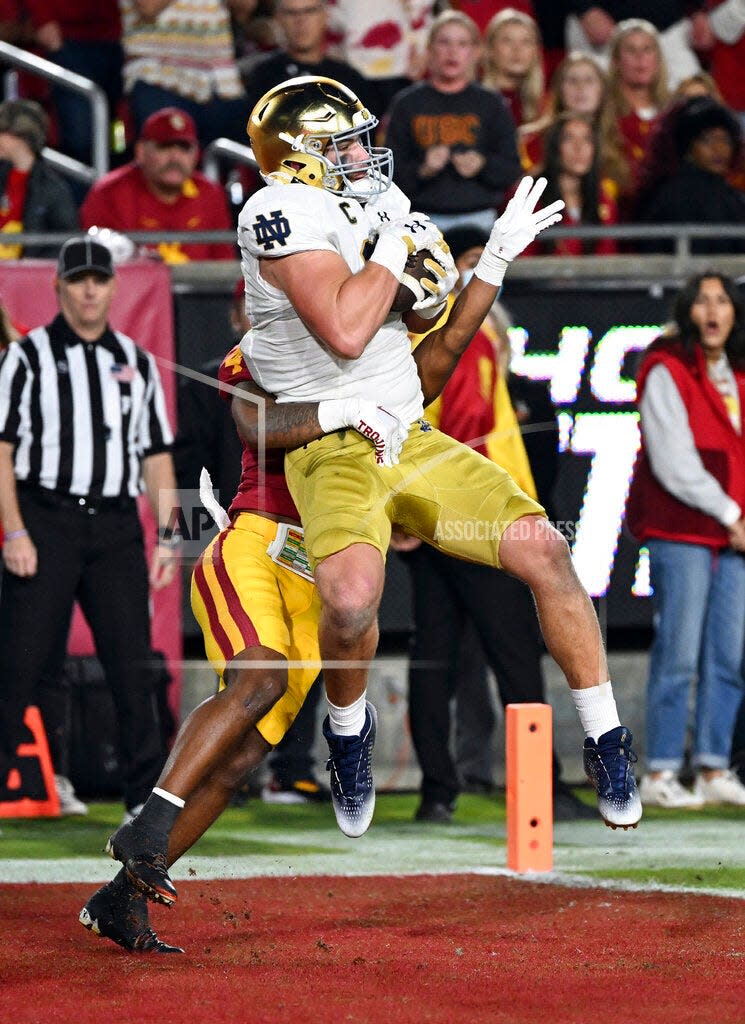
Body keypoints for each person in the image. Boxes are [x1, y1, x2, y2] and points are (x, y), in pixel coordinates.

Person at [80, 137, 549, 953]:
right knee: (257, 679)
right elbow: (257, 420)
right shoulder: (262, 356)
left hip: (318, 565)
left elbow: (426, 366)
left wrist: (485, 269)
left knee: (243, 755)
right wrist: (335, 414)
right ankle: (147, 826)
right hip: (259, 545)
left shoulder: (357, 346)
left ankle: (123, 896)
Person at [399, 227, 595, 823]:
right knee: (514, 656)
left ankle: (436, 791)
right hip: (481, 522)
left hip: (427, 519)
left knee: (434, 655)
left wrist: (402, 506)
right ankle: (539, 790)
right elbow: (467, 431)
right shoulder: (472, 338)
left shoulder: (410, 335)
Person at [0, 235, 179, 822]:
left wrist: (173, 534)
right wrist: (15, 532)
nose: (88, 291)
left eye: (98, 280)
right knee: (18, 665)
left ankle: (142, 803)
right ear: (59, 288)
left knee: (134, 667)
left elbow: (156, 456)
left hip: (114, 527)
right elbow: (2, 450)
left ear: (112, 286)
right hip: (45, 519)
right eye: (77, 280)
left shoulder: (135, 361)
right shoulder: (25, 359)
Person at [626, 272, 745, 808]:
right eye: (702, 300)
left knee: (729, 654)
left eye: (723, 300)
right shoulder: (664, 366)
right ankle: (662, 771)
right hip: (682, 529)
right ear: (686, 310)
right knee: (679, 650)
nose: (713, 310)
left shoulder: (739, 371)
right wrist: (731, 513)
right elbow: (672, 461)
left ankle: (714, 767)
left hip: (736, 533)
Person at [384, 10, 522, 234]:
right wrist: (423, 170)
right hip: (420, 219)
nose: (452, 52)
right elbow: (388, 173)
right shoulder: (406, 104)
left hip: (481, 220)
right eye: (444, 42)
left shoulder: (492, 104)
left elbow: (511, 168)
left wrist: (482, 165)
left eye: (462, 43)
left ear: (476, 52)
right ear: (429, 50)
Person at [80, 107, 235, 264]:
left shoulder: (210, 194)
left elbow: (224, 264)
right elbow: (95, 267)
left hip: (202, 287)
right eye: (164, 146)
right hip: (134, 287)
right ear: (140, 152)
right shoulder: (109, 193)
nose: (175, 158)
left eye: (184, 148)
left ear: (196, 155)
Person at [119, 0, 247, 148]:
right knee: (168, 157)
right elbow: (148, 7)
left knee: (240, 156)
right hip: (159, 76)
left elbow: (244, 7)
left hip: (220, 82)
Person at [636, 96, 745, 254]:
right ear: (688, 147)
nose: (719, 148)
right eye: (707, 140)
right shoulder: (671, 197)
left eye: (726, 140)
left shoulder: (732, 196)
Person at [24, 0, 123, 171]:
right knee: (80, 138)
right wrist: (43, 19)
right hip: (68, 39)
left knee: (114, 137)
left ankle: (106, 194)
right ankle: (79, 196)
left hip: (112, 38)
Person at [242, 0, 377, 116]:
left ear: (326, 16)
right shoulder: (263, 75)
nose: (301, 21)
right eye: (292, 13)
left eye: (309, 11)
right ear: (278, 18)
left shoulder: (351, 79)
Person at [525, 113, 619, 256]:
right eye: (568, 139)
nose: (579, 147)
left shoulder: (604, 199)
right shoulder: (530, 198)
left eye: (587, 140)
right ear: (555, 147)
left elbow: (608, 258)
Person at [0, 98, 79, 259]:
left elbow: (66, 242)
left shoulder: (54, 188)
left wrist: (32, 269)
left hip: (27, 277)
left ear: (22, 137)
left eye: (2, 132)